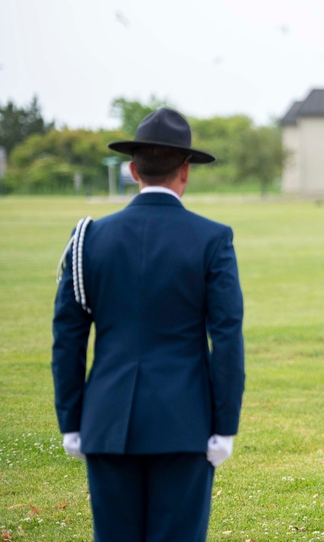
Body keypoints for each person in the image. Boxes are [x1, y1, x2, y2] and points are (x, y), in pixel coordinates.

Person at [52, 107, 245, 542]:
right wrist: (224, 425)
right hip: (184, 422)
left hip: (106, 420)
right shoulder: (212, 238)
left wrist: (72, 419)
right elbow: (227, 338)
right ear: (186, 171)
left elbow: (68, 337)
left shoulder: (89, 238)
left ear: (133, 170)